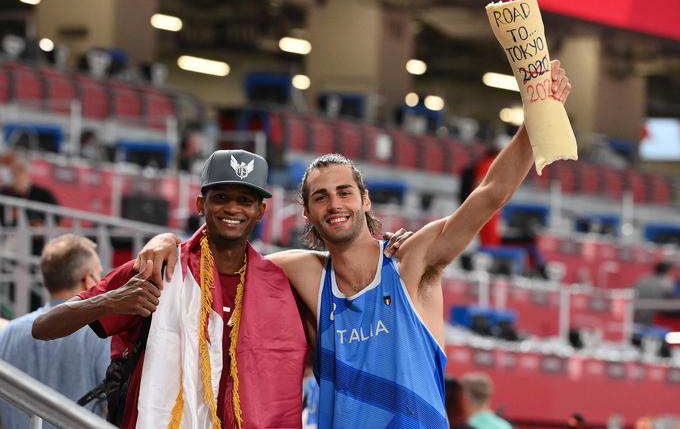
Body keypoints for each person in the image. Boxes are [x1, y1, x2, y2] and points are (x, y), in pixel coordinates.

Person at [136, 61, 571, 428]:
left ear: (365, 199)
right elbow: (224, 248)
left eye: (345, 192)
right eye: (320, 197)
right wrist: (168, 240)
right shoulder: (303, 272)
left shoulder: (411, 263)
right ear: (306, 213)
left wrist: (537, 117)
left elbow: (490, 193)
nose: (335, 204)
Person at [32, 149, 411, 429]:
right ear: (201, 203)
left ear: (261, 211)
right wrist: (113, 300)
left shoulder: (282, 284)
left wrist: (384, 254)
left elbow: (348, 340)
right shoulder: (160, 268)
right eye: (221, 198)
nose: (233, 209)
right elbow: (44, 326)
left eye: (245, 200)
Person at [0, 234, 110, 429]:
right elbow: (114, 406)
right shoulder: (101, 333)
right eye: (98, 275)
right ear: (86, 279)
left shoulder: (8, 334)